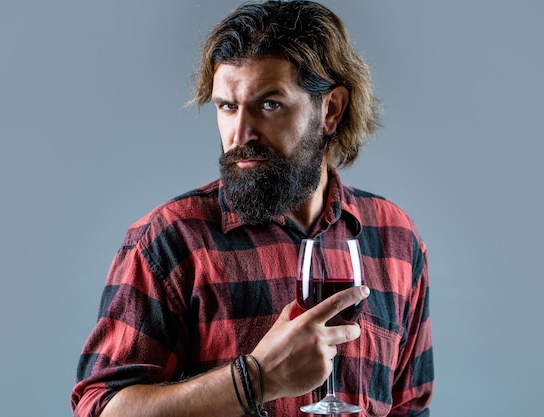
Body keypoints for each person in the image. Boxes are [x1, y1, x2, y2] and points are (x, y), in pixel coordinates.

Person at [71, 1, 433, 416]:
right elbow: (101, 410)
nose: (241, 133)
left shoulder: (395, 236)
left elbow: (411, 407)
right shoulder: (170, 240)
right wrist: (256, 379)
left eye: (269, 105)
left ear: (330, 110)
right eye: (227, 106)